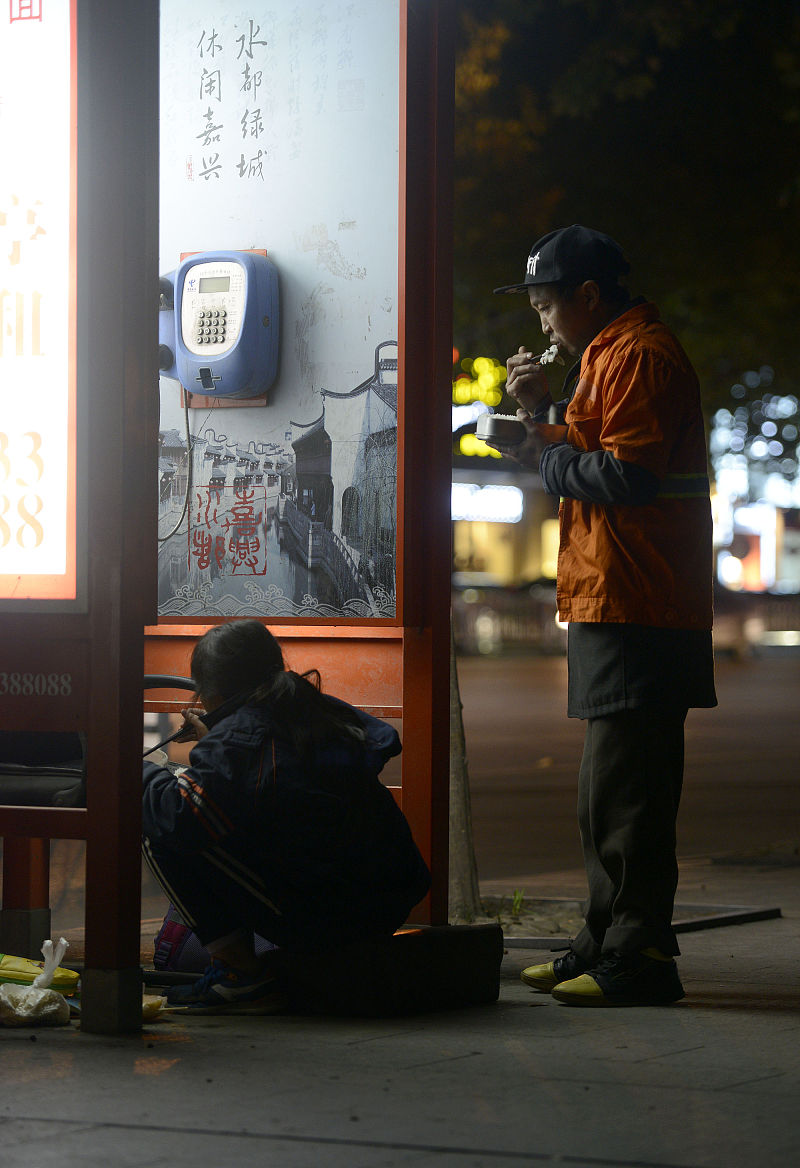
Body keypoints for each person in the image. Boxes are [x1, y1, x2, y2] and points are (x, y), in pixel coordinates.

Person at [491, 224, 717, 1006]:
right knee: (605, 789)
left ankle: (642, 954)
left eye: (548, 306)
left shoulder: (641, 355)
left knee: (631, 790)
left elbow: (627, 476)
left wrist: (549, 456)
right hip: (614, 593)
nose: (542, 323)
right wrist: (536, 415)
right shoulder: (605, 355)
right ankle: (604, 937)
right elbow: (592, 449)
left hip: (641, 600)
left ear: (588, 297)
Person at [142, 619, 431, 1013]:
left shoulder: (240, 737)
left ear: (207, 689)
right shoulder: (310, 707)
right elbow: (276, 776)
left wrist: (136, 768)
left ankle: (242, 977)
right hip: (390, 896)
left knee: (162, 827)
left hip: (331, 914)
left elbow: (180, 818)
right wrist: (217, 736)